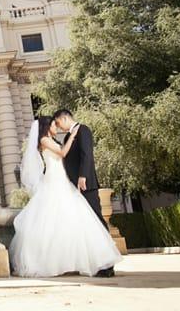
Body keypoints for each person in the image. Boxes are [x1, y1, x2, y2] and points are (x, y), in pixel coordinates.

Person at [9, 116, 122, 278]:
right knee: (57, 220)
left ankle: (82, 261)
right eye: (54, 125)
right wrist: (73, 136)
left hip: (62, 179)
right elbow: (62, 153)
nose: (56, 127)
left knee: (74, 220)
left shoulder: (50, 139)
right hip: (54, 181)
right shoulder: (44, 140)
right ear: (47, 126)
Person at [53, 109, 115, 277]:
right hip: (74, 187)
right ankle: (96, 262)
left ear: (64, 118)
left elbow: (87, 154)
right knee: (88, 225)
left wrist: (82, 176)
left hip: (86, 184)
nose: (58, 127)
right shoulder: (67, 137)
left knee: (97, 221)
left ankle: (108, 265)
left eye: (58, 123)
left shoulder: (83, 130)